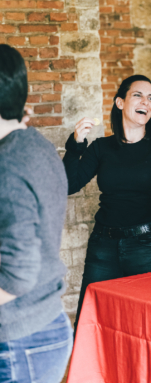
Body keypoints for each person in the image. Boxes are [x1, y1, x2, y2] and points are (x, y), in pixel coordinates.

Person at [63, 75, 151, 332]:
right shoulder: (102, 147)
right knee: (92, 323)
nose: (146, 101)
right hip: (103, 246)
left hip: (149, 245)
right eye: (138, 95)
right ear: (120, 102)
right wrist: (76, 145)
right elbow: (68, 185)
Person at [0, 44, 72, 383]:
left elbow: (17, 273)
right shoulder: (35, 143)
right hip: (41, 327)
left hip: (19, 341)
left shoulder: (7, 165)